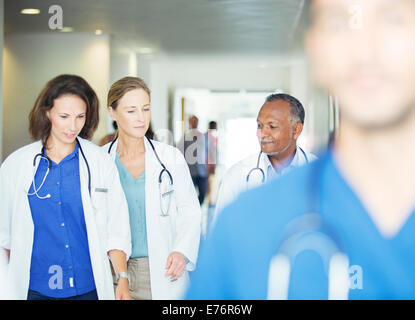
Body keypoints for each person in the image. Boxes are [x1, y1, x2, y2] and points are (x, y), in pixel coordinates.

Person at [186, 0, 415, 299]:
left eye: (392, 19)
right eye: (338, 22)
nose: (365, 49)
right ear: (316, 50)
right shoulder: (242, 222)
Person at [0, 74, 131, 300]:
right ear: (47, 112)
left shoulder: (100, 162)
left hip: (88, 287)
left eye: (80, 116)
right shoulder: (16, 165)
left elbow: (117, 229)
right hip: (34, 289)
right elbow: (5, 236)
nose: (73, 126)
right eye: (64, 116)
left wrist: (122, 279)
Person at [104, 76, 201, 300]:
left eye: (145, 109)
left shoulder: (170, 157)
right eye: (131, 111)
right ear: (112, 112)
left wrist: (182, 251)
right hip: (112, 270)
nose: (141, 118)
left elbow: (191, 211)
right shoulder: (99, 162)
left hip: (160, 267)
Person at [212, 93, 317, 226]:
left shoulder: (321, 173)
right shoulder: (238, 175)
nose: (262, 134)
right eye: (260, 126)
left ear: (296, 130)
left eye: (272, 127)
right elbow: (222, 234)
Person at [178, 115, 210, 205]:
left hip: (202, 170)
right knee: (189, 194)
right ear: (189, 123)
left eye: (196, 121)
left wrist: (211, 166)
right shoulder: (184, 137)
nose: (194, 123)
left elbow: (210, 151)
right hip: (190, 171)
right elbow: (179, 151)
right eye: (192, 121)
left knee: (203, 193)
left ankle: (198, 207)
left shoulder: (203, 136)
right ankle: (193, 211)